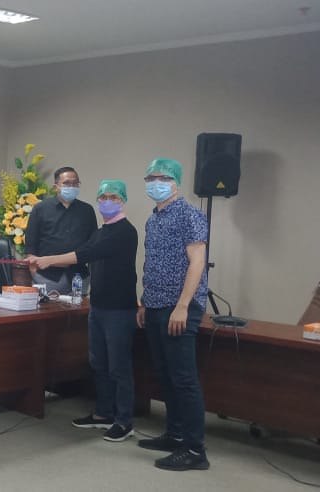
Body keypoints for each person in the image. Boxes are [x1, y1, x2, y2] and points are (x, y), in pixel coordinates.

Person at [27, 180, 138, 442]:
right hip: (98, 306)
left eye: (113, 197)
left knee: (118, 366)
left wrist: (48, 259)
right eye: (103, 197)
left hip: (119, 309)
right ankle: (103, 413)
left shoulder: (124, 231)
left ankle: (124, 420)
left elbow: (84, 254)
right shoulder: (101, 231)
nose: (107, 202)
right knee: (99, 363)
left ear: (122, 201)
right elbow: (85, 251)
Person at [135, 158, 210, 471]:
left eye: (163, 177)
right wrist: (144, 302)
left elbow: (197, 262)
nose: (157, 182)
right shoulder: (153, 219)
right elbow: (153, 263)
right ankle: (175, 434)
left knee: (183, 379)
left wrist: (182, 305)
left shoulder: (189, 214)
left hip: (179, 307)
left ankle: (194, 450)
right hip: (154, 304)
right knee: (164, 374)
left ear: (176, 182)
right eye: (151, 177)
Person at [24, 166, 97, 294]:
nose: (71, 187)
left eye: (75, 183)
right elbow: (30, 246)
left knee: (79, 308)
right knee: (47, 307)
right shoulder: (41, 209)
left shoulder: (87, 210)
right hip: (47, 277)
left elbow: (93, 245)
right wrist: (34, 273)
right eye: (67, 183)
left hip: (79, 276)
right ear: (56, 187)